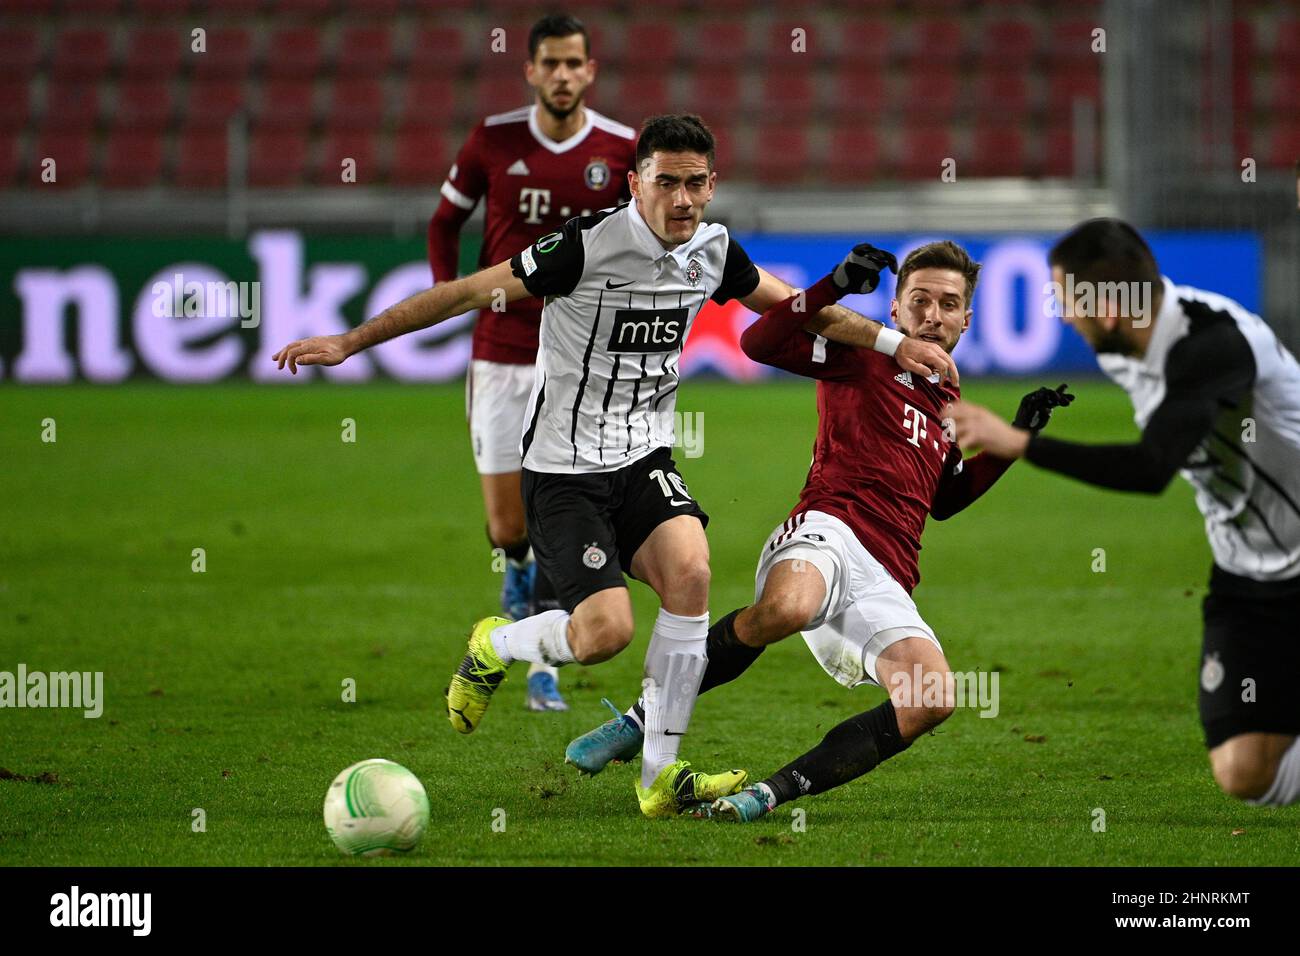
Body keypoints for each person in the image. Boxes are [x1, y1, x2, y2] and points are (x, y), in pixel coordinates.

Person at [272, 115, 958, 818]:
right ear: (636, 184)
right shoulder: (584, 246)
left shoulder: (715, 252)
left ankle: (659, 777)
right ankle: (498, 642)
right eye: (667, 183)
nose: (683, 200)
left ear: (712, 186)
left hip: (644, 460)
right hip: (564, 470)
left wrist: (887, 341)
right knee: (606, 634)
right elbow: (467, 292)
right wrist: (350, 341)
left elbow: (794, 311)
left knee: (692, 573)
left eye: (696, 184)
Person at [565, 240, 1071, 822]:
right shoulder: (863, 353)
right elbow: (759, 342)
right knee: (786, 608)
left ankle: (762, 797)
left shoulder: (948, 399)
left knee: (931, 698)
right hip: (828, 528)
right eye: (920, 300)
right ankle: (638, 721)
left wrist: (1014, 440)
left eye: (949, 304)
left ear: (966, 319)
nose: (934, 315)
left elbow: (946, 499)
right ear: (897, 311)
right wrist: (832, 284)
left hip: (889, 577)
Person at [949, 217, 1300, 807]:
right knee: (1244, 772)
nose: (1063, 317)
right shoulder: (1122, 351)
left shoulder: (1209, 344)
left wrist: (1017, 443)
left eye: (1066, 303)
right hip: (1246, 569)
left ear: (1107, 309)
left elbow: (1150, 468)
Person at [428, 13, 637, 711]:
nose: (562, 76)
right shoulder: (492, 140)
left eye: (574, 64)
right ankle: (515, 571)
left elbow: (637, 241)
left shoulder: (620, 149)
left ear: (590, 70)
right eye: (550, 64)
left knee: (557, 501)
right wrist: (447, 293)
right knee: (506, 525)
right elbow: (444, 221)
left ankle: (542, 655)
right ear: (530, 71)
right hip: (500, 351)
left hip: (575, 359)